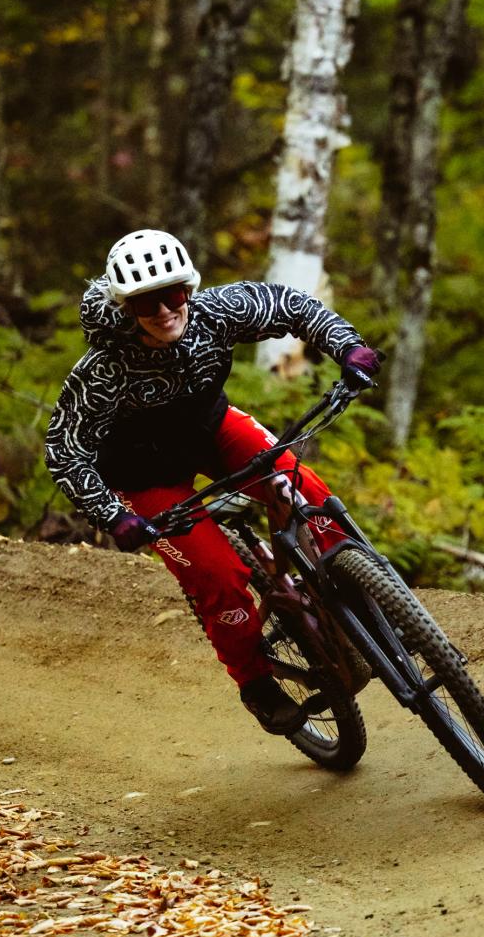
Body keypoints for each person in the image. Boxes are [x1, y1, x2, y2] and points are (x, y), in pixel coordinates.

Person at [44, 229, 380, 735]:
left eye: (173, 294)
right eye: (145, 303)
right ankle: (257, 684)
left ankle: (365, 599)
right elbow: (64, 448)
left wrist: (348, 346)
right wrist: (114, 515)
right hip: (144, 477)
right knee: (219, 579)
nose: (163, 311)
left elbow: (290, 305)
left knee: (300, 485)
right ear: (124, 306)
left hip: (210, 431)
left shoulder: (216, 312)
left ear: (190, 288)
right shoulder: (103, 368)